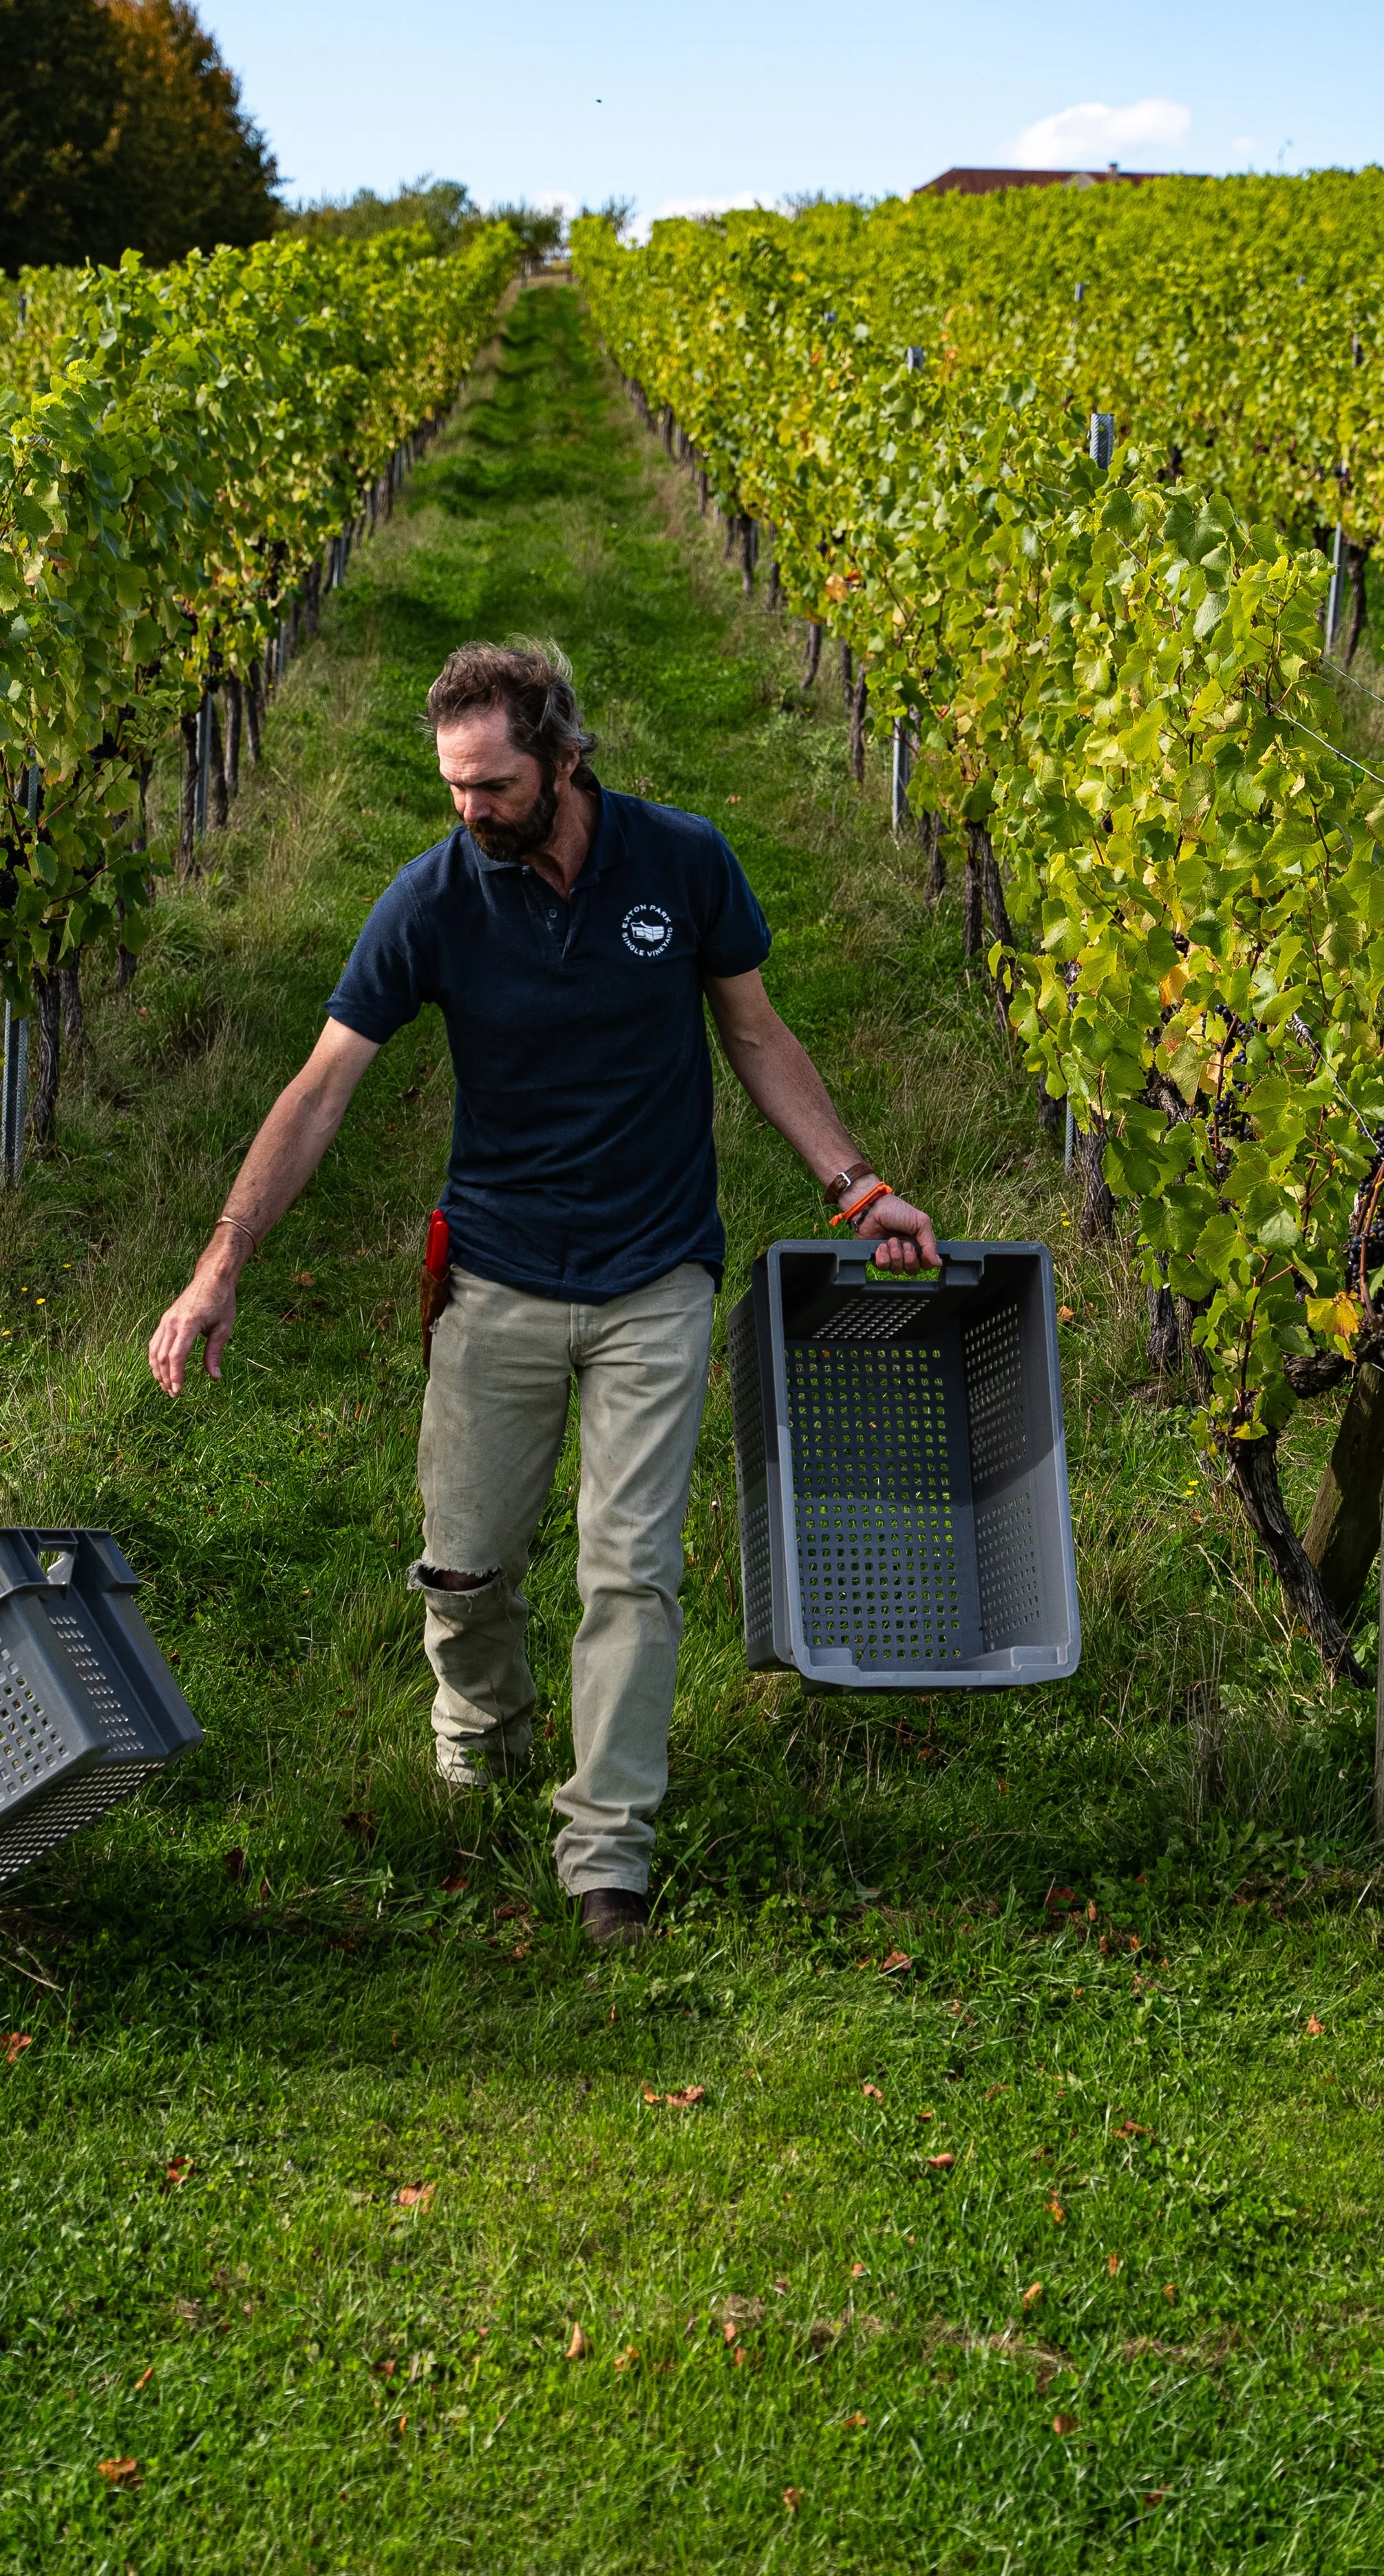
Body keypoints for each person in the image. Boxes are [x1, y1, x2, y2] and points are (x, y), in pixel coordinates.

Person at [149, 641, 937, 1946]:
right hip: (499, 1275)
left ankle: (606, 1849)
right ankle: (485, 1748)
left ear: (565, 758)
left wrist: (857, 1187)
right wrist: (222, 1258)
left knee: (631, 1573)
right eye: (454, 786)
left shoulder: (681, 861)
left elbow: (755, 1032)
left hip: (655, 1272)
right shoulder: (434, 899)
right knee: (465, 1570)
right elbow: (321, 1086)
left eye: (494, 784)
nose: (470, 810)